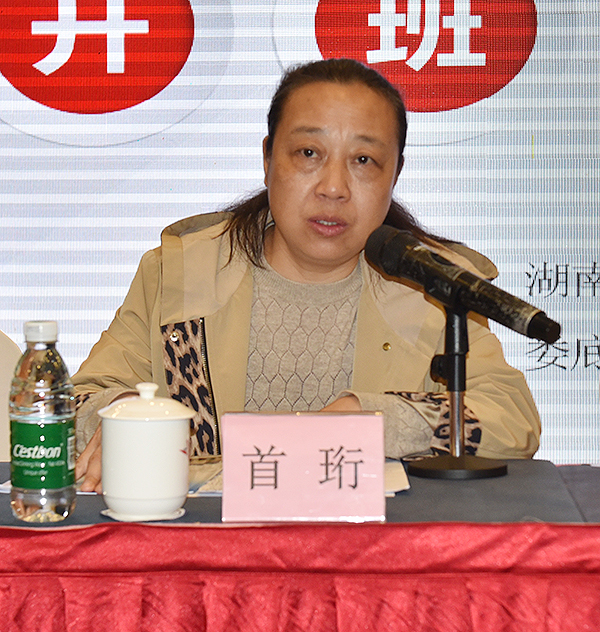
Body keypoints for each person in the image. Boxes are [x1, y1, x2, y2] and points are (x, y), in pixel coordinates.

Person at [74, 58, 541, 492]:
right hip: (200, 543)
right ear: (268, 159)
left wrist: (372, 419)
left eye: (363, 160)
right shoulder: (182, 272)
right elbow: (77, 401)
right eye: (308, 153)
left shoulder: (432, 289)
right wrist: (123, 417)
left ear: (395, 174)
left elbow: (512, 419)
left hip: (369, 546)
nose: (333, 188)